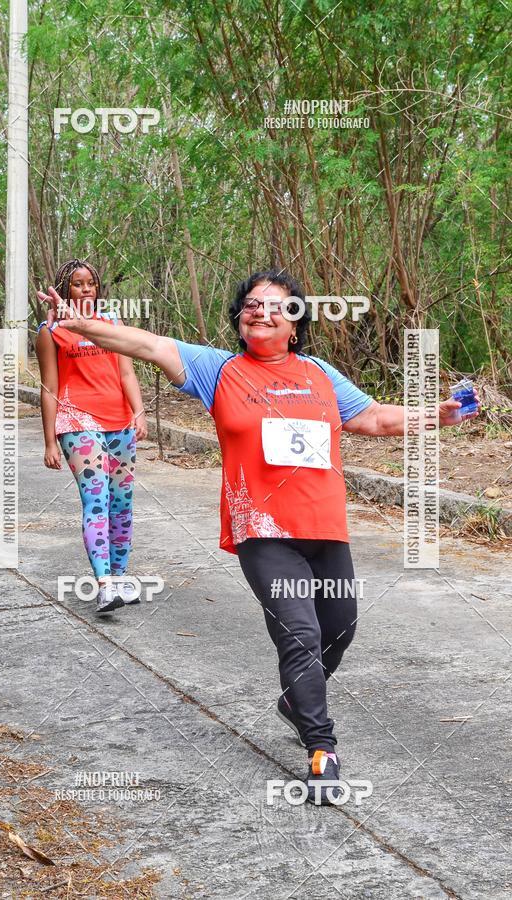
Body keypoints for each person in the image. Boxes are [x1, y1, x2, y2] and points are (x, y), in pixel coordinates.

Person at [38, 268, 478, 802]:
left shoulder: (319, 374)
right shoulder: (217, 371)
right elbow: (144, 343)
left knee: (339, 629)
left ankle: (295, 701)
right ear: (239, 320)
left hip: (326, 530)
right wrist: (77, 321)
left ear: (296, 323)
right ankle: (322, 748)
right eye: (250, 304)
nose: (260, 311)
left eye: (277, 305)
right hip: (264, 533)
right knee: (300, 633)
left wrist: (436, 415)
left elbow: (377, 419)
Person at [36, 259, 147, 615]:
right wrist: (50, 440)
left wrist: (139, 411)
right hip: (76, 421)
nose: (86, 289)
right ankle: (102, 586)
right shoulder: (51, 330)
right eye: (78, 284)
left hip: (120, 422)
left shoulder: (111, 322)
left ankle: (119, 581)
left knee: (122, 504)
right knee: (96, 500)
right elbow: (49, 387)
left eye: (91, 284)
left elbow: (126, 373)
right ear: (64, 288)